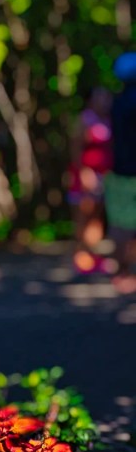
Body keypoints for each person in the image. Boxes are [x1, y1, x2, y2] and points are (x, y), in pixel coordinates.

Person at [68, 86, 113, 275]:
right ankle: (81, 256)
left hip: (104, 175)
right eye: (100, 97)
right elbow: (76, 150)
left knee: (97, 217)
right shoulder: (84, 120)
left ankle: (93, 256)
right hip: (86, 175)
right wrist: (85, 173)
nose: (104, 101)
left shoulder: (108, 120)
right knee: (84, 216)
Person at [105, 52, 136, 293]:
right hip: (127, 171)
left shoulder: (115, 103)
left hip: (119, 170)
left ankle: (122, 271)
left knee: (120, 224)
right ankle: (125, 273)